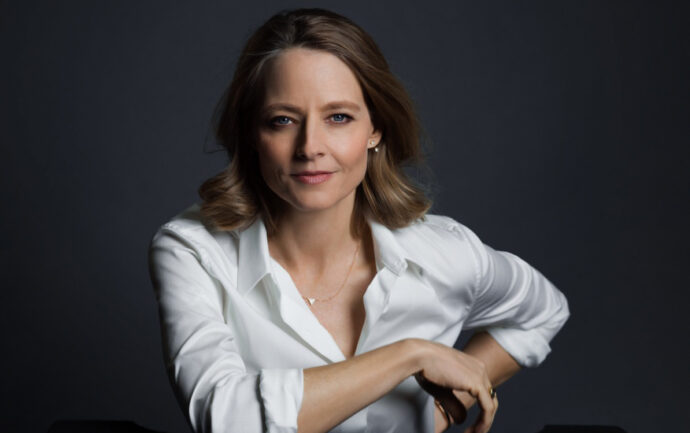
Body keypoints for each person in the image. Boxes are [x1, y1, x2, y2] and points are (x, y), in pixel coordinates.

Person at [148, 8, 570, 433]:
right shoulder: (193, 250)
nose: (310, 146)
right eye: (283, 120)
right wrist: (410, 356)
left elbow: (543, 311)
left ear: (376, 130)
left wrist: (442, 409)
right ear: (251, 134)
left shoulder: (443, 253)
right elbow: (227, 420)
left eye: (338, 117)